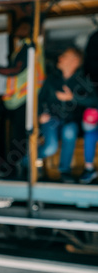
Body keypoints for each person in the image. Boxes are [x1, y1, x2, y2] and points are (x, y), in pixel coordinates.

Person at [0, 17, 44, 177]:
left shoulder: (27, 48)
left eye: (22, 28)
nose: (18, 31)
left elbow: (16, 70)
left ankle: (10, 169)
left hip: (24, 99)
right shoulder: (29, 47)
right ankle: (14, 167)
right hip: (25, 98)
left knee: (18, 137)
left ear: (27, 31)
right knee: (18, 136)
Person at [37, 47, 98, 183]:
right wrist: (40, 114)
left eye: (64, 56)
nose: (60, 59)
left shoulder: (83, 81)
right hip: (51, 119)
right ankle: (28, 161)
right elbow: (40, 99)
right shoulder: (52, 79)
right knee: (51, 147)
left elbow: (95, 100)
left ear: (75, 61)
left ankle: (65, 171)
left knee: (70, 132)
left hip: (71, 121)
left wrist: (72, 98)